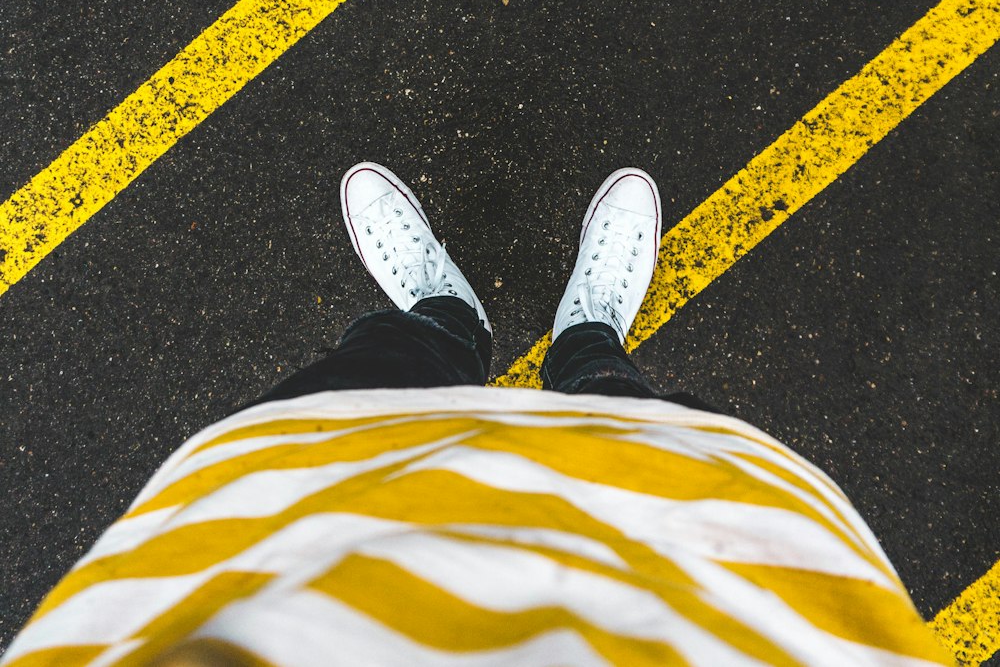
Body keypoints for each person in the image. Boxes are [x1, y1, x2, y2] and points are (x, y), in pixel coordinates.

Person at [4, 164, 951, 666]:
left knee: (369, 379)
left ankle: (449, 318)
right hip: (705, 599)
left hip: (286, 531)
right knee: (628, 420)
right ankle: (586, 341)